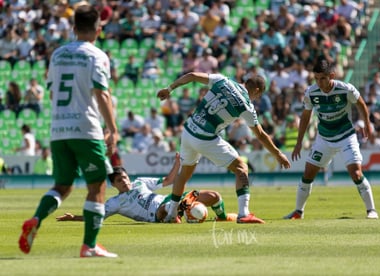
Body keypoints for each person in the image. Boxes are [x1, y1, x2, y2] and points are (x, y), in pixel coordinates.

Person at [18, 5, 119, 258]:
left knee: (62, 185)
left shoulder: (58, 54)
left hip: (58, 129)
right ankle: (90, 245)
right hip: (86, 128)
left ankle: (36, 218)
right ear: (98, 30)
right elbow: (102, 92)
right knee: (96, 187)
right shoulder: (97, 56)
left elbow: (52, 92)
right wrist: (113, 130)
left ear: (73, 28)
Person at [157, 72, 291, 224]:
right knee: (241, 167)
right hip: (204, 137)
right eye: (258, 96)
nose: (256, 99)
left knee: (184, 173)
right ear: (257, 91)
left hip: (188, 131)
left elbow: (192, 75)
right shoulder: (246, 105)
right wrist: (278, 154)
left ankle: (172, 215)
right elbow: (260, 135)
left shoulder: (222, 80)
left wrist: (169, 88)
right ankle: (243, 213)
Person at [284, 58, 378, 220]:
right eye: (316, 78)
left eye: (323, 78)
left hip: (346, 136)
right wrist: (299, 142)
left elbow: (361, 104)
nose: (319, 82)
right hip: (324, 139)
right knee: (307, 174)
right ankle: (298, 211)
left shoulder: (345, 89)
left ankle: (371, 210)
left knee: (356, 173)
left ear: (331, 76)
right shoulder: (311, 93)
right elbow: (305, 116)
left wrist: (367, 124)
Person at [56, 153, 237, 223]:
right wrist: (73, 217)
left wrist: (176, 163)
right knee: (166, 211)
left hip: (169, 200)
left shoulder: (140, 182)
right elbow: (97, 216)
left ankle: (220, 218)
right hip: (157, 213)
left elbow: (167, 181)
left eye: (125, 177)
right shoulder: (116, 202)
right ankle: (184, 211)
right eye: (120, 181)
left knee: (214, 195)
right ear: (114, 185)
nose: (125, 182)